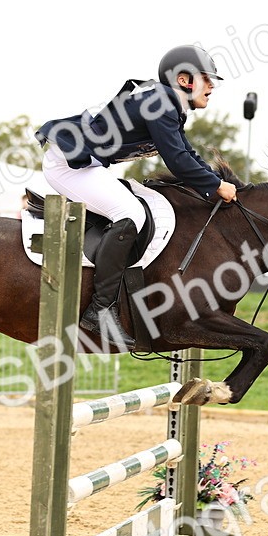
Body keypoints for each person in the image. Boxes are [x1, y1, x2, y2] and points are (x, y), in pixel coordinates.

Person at [36, 44, 237, 346]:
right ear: (184, 80)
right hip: (67, 163)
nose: (211, 86)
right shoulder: (161, 102)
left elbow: (186, 153)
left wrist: (212, 181)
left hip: (82, 163)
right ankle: (100, 310)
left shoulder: (168, 103)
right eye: (207, 79)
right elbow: (178, 161)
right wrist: (216, 185)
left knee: (138, 209)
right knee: (131, 214)